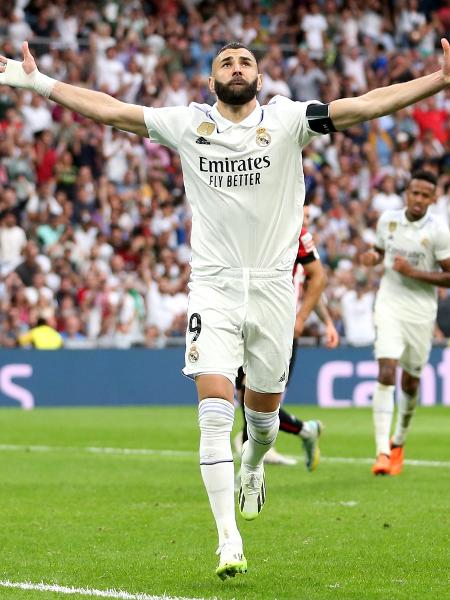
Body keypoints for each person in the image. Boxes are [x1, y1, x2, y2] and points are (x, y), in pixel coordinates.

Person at [2, 37, 449, 579]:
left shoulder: (289, 120)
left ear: (259, 80)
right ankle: (228, 540)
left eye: (246, 63)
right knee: (214, 415)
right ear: (210, 82)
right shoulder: (187, 124)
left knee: (260, 423)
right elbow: (111, 109)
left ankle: (254, 464)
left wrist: (437, 82)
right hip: (212, 287)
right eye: (225, 64)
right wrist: (39, 83)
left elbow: (364, 104)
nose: (236, 69)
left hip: (272, 290)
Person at [236, 206, 339, 470]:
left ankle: (250, 468)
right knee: (246, 394)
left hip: (282, 329)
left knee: (258, 396)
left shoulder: (301, 240)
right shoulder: (267, 234)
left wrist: (310, 320)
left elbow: (315, 286)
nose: (303, 220)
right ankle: (305, 431)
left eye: (306, 216)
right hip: (248, 324)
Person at [361, 171, 450, 476]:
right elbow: (381, 252)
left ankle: (399, 441)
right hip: (389, 304)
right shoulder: (388, 220)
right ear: (407, 193)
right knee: (386, 370)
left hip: (421, 312)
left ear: (433, 198)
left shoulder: (439, 230)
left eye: (425, 195)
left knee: (410, 381)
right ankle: (382, 452)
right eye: (415, 193)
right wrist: (373, 257)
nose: (418, 200)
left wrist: (414, 273)